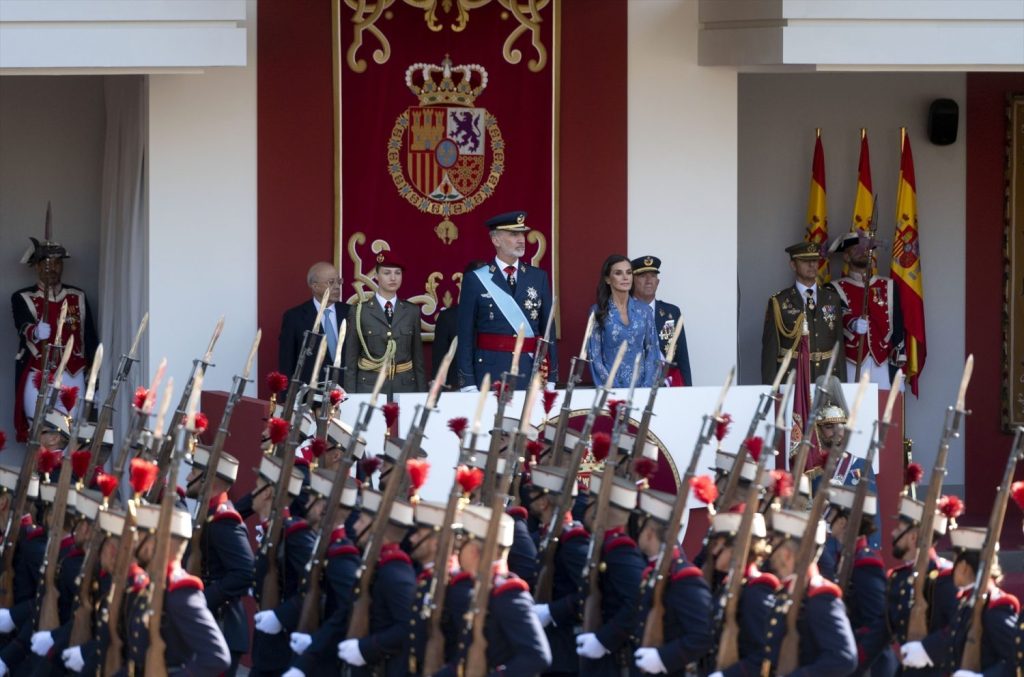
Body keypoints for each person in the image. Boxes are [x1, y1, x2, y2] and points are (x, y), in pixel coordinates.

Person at [456, 211, 557, 391]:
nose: (521, 240)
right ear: (496, 240)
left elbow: (548, 329)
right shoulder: (476, 279)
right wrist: (468, 382)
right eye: (513, 234)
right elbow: (465, 334)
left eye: (522, 234)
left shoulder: (538, 277)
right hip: (490, 372)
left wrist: (552, 375)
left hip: (529, 370)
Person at [12, 235, 98, 442]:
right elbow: (22, 326)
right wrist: (34, 331)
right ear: (36, 266)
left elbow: (90, 340)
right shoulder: (23, 297)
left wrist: (96, 382)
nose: (51, 268)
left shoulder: (77, 296)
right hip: (39, 373)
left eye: (57, 263)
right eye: (46, 263)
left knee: (69, 436)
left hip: (73, 373)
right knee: (39, 435)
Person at [901, 526, 1019, 675]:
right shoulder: (968, 601)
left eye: (955, 560)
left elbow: (1017, 657)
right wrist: (925, 650)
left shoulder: (994, 608)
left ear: (963, 567)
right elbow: (952, 636)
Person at [758, 508, 858, 677]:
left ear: (787, 554)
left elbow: (844, 658)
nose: (770, 552)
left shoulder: (820, 598)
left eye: (774, 545)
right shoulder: (786, 591)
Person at [631, 488, 712, 676]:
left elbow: (702, 635)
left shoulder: (684, 579)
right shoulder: (656, 569)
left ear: (649, 533)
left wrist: (663, 658)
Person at [761, 241, 845, 385]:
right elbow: (770, 350)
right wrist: (770, 389)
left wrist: (842, 384)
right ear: (793, 265)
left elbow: (839, 346)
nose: (812, 265)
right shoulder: (779, 301)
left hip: (827, 377)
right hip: (794, 378)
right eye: (805, 261)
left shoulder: (832, 298)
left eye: (815, 260)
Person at [342, 251, 426, 395]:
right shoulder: (359, 311)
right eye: (387, 273)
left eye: (397, 273)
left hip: (405, 387)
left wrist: (422, 395)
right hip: (370, 387)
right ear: (376, 276)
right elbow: (351, 361)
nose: (393, 278)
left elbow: (418, 360)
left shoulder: (412, 311)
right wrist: (351, 397)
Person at [828, 232, 905, 387]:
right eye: (856, 248)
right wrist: (851, 324)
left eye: (866, 247)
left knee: (886, 402)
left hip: (883, 361)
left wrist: (899, 357)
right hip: (851, 361)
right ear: (846, 257)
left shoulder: (888, 285)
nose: (862, 251)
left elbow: (897, 324)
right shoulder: (834, 288)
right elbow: (835, 319)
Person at [587, 255, 661, 388]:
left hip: (642, 389)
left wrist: (646, 388)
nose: (625, 277)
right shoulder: (597, 312)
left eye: (628, 272)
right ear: (608, 279)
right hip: (611, 390)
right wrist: (613, 389)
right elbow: (594, 357)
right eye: (618, 273)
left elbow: (653, 352)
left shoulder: (645, 311)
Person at [278, 261, 348, 384]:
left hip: (348, 390)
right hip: (311, 390)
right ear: (315, 286)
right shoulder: (294, 317)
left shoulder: (351, 313)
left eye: (339, 281)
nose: (337, 286)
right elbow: (286, 362)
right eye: (331, 282)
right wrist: (287, 394)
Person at [630, 256, 693, 386]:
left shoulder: (672, 312)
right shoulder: (624, 311)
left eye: (653, 276)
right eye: (642, 276)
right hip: (634, 382)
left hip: (667, 383)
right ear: (632, 281)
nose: (649, 281)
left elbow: (682, 357)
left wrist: (688, 390)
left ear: (657, 282)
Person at [433, 259, 488, 390]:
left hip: (491, 387)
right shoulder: (448, 317)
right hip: (457, 390)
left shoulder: (500, 318)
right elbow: (439, 362)